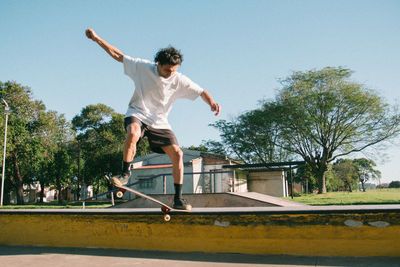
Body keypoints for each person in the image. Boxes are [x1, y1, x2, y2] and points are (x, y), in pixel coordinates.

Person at [85, 28, 220, 210]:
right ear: (158, 63)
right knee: (133, 133)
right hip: (137, 112)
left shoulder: (179, 79)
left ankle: (178, 199)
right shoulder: (142, 67)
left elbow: (201, 91)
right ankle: (125, 173)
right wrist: (96, 39)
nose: (170, 74)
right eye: (166, 70)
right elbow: (118, 55)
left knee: (178, 154)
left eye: (173, 71)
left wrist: (211, 102)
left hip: (159, 121)